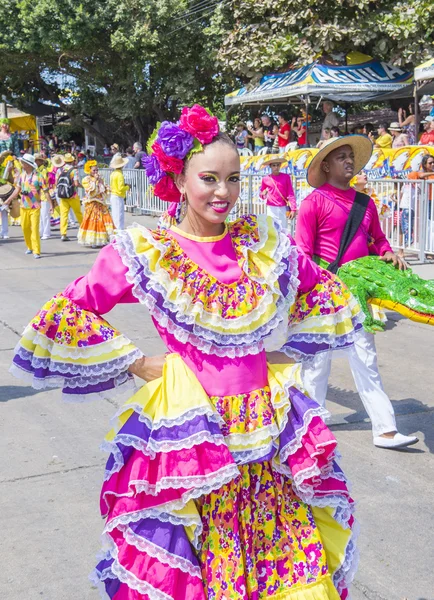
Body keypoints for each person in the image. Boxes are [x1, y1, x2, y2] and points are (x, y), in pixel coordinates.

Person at [12, 104, 362, 600]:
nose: (224, 192)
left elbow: (323, 290)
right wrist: (137, 362)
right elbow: (67, 311)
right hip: (192, 439)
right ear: (177, 178)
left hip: (266, 431)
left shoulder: (260, 244)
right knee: (204, 566)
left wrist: (287, 352)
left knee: (280, 565)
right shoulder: (148, 251)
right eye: (210, 178)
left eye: (234, 178)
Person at [295, 136, 419, 449]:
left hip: (358, 294)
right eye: (342, 157)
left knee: (366, 358)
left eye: (351, 156)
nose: (349, 162)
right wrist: (317, 285)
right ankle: (312, 425)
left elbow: (378, 239)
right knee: (317, 363)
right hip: (323, 292)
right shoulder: (313, 202)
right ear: (326, 165)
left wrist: (389, 252)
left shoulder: (366, 203)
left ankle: (385, 430)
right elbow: (302, 252)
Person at [7, 153, 51, 259]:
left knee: (34, 229)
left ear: (28, 164)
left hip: (35, 207)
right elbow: (17, 190)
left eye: (23, 163)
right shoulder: (21, 176)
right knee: (25, 228)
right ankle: (29, 247)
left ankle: (37, 251)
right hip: (23, 206)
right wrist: (8, 200)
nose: (21, 164)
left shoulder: (39, 176)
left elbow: (46, 191)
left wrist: (51, 205)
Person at [78, 160, 114, 248]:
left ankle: (104, 239)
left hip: (100, 202)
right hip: (92, 203)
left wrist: (103, 185)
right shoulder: (86, 179)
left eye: (97, 170)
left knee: (105, 220)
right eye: (94, 170)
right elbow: (90, 191)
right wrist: (95, 182)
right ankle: (93, 240)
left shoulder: (100, 179)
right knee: (94, 221)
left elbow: (105, 190)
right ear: (89, 170)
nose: (96, 172)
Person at [53, 153, 83, 242]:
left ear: (64, 161)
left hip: (62, 195)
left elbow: (56, 183)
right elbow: (76, 183)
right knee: (78, 213)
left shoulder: (59, 170)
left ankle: (63, 234)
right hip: (72, 195)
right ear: (72, 161)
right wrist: (83, 187)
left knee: (64, 215)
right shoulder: (74, 170)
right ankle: (83, 231)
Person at [260, 157, 297, 227]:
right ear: (270, 166)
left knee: (283, 229)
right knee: (271, 229)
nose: (276, 167)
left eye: (278, 165)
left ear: (280, 165)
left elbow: (290, 193)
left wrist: (293, 209)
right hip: (271, 208)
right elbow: (262, 194)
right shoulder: (265, 179)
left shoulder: (286, 177)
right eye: (274, 165)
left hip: (282, 208)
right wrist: (263, 194)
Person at [109, 154, 130, 230]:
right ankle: (119, 232)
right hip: (118, 196)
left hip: (113, 195)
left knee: (115, 215)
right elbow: (121, 188)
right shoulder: (119, 174)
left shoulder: (113, 173)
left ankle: (116, 231)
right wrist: (127, 187)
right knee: (119, 216)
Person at [34, 153, 51, 240]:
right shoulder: (36, 170)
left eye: (36, 160)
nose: (35, 161)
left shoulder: (44, 170)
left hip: (44, 194)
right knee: (40, 215)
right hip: (38, 194)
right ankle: (41, 231)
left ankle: (46, 233)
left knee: (45, 215)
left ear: (40, 161)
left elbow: (43, 183)